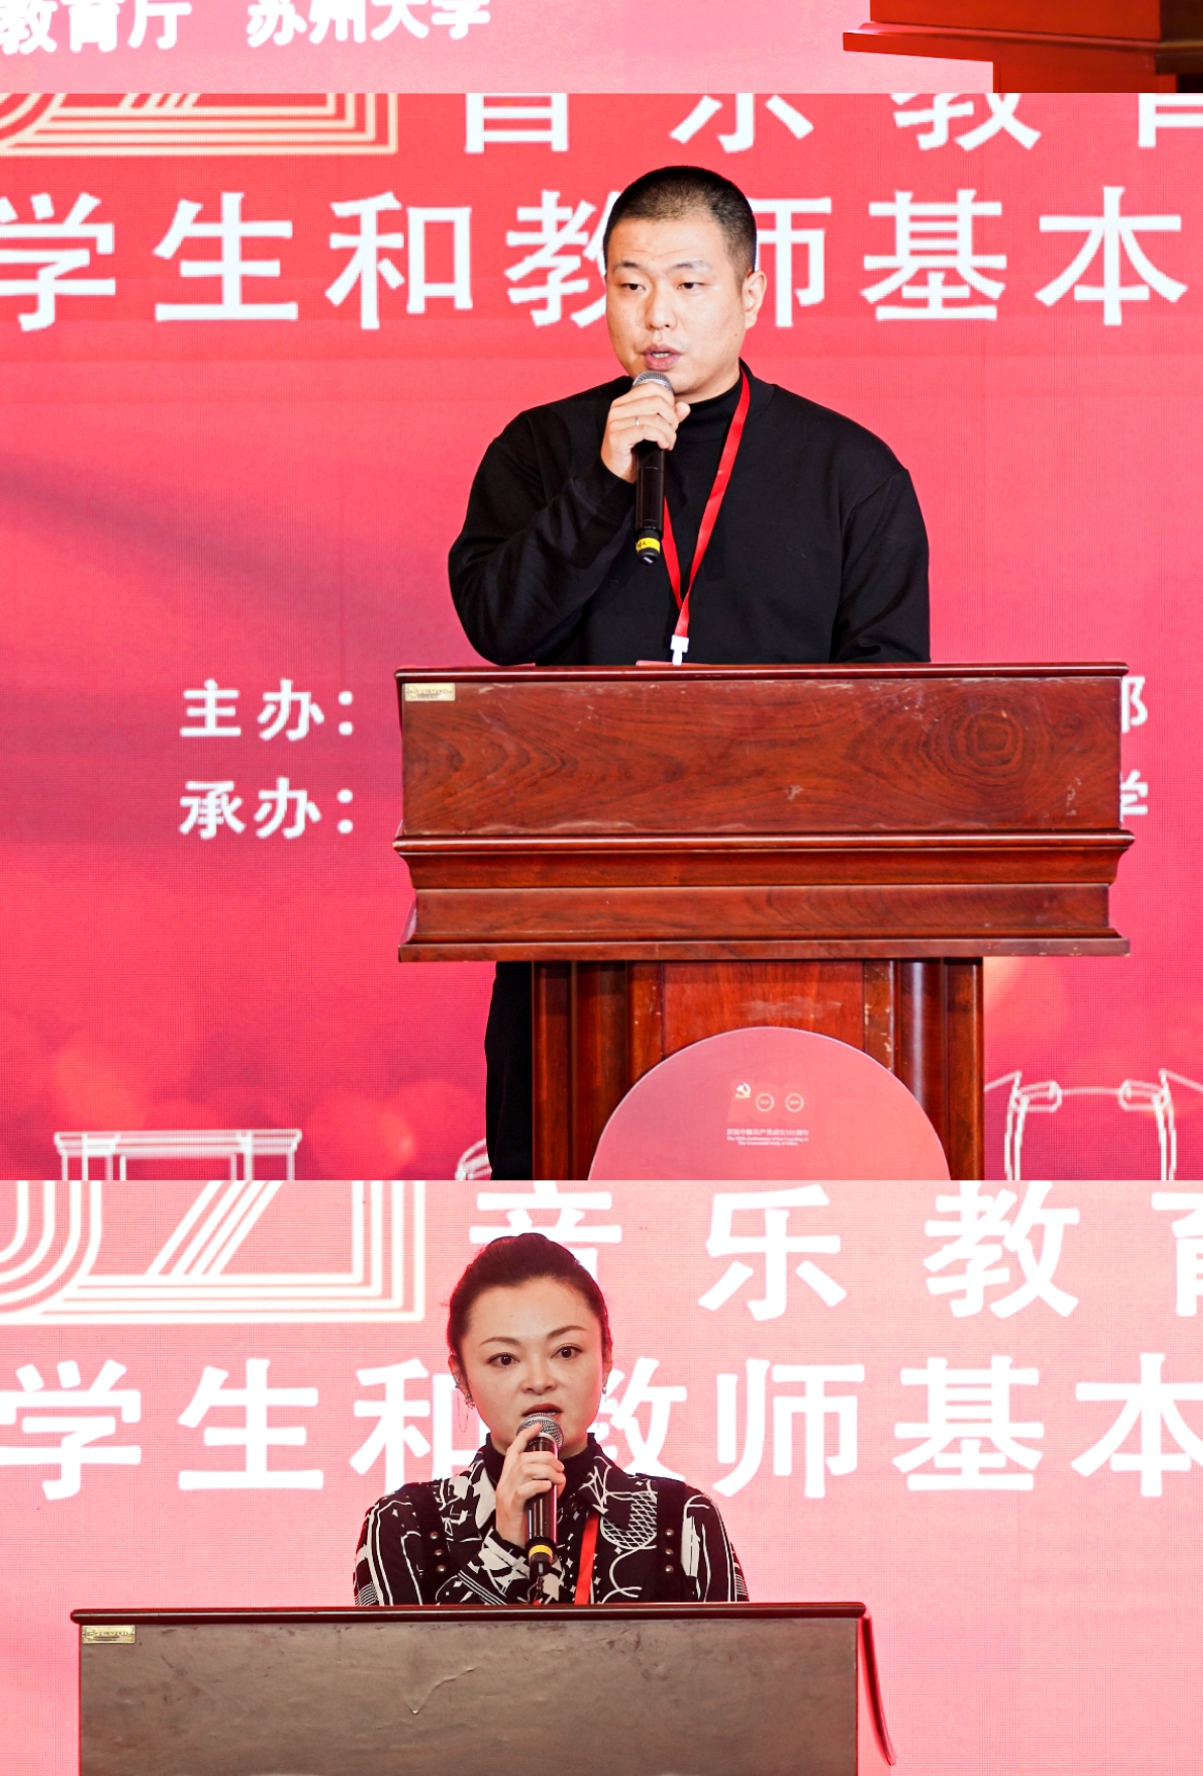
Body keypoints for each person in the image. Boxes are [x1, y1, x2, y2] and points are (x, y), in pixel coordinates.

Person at [449, 162, 931, 1178]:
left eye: (687, 282)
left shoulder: (849, 474)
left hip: (785, 914)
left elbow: (891, 704)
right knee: (567, 1181)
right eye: (629, 284)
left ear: (751, 294)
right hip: (578, 903)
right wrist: (601, 483)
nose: (655, 313)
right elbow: (496, 625)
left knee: (770, 1189)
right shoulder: (543, 450)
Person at [353, 1232, 746, 1605]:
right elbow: (402, 1657)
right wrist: (504, 1548)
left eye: (566, 1352)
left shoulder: (683, 1520)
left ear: (606, 1358)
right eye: (504, 1359)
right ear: (462, 1377)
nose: (539, 1381)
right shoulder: (403, 1524)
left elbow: (738, 1654)